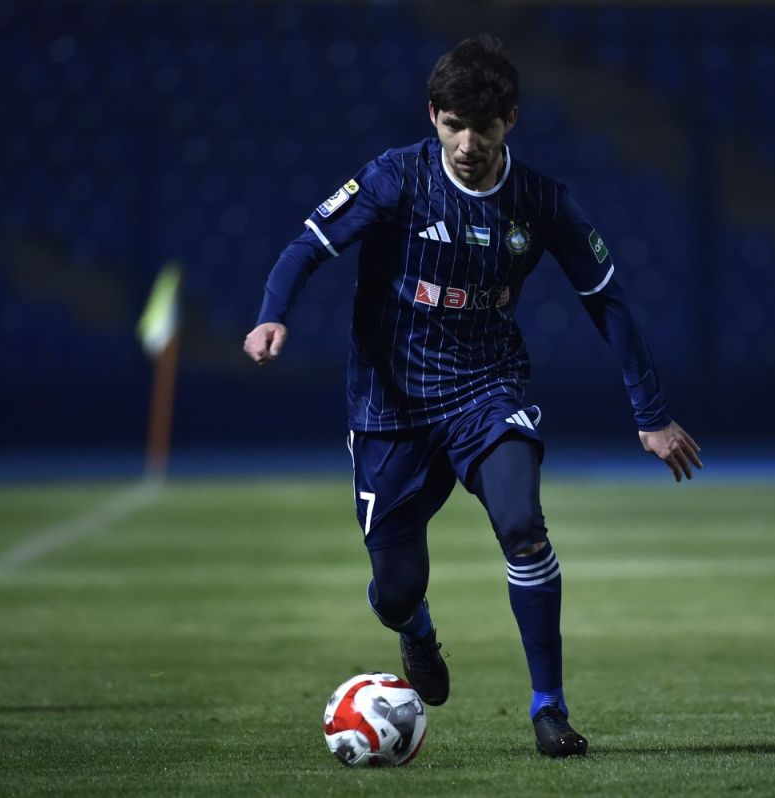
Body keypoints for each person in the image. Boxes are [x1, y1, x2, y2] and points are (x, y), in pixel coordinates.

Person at [244, 34, 702, 758]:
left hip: (485, 391)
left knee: (524, 528)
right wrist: (273, 314)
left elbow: (607, 300)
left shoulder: (540, 200)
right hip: (390, 407)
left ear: (509, 120)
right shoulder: (396, 178)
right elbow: (307, 245)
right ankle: (415, 628)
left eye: (482, 127)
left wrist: (650, 414)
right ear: (433, 115)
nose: (466, 144)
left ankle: (549, 708)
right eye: (453, 125)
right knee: (395, 588)